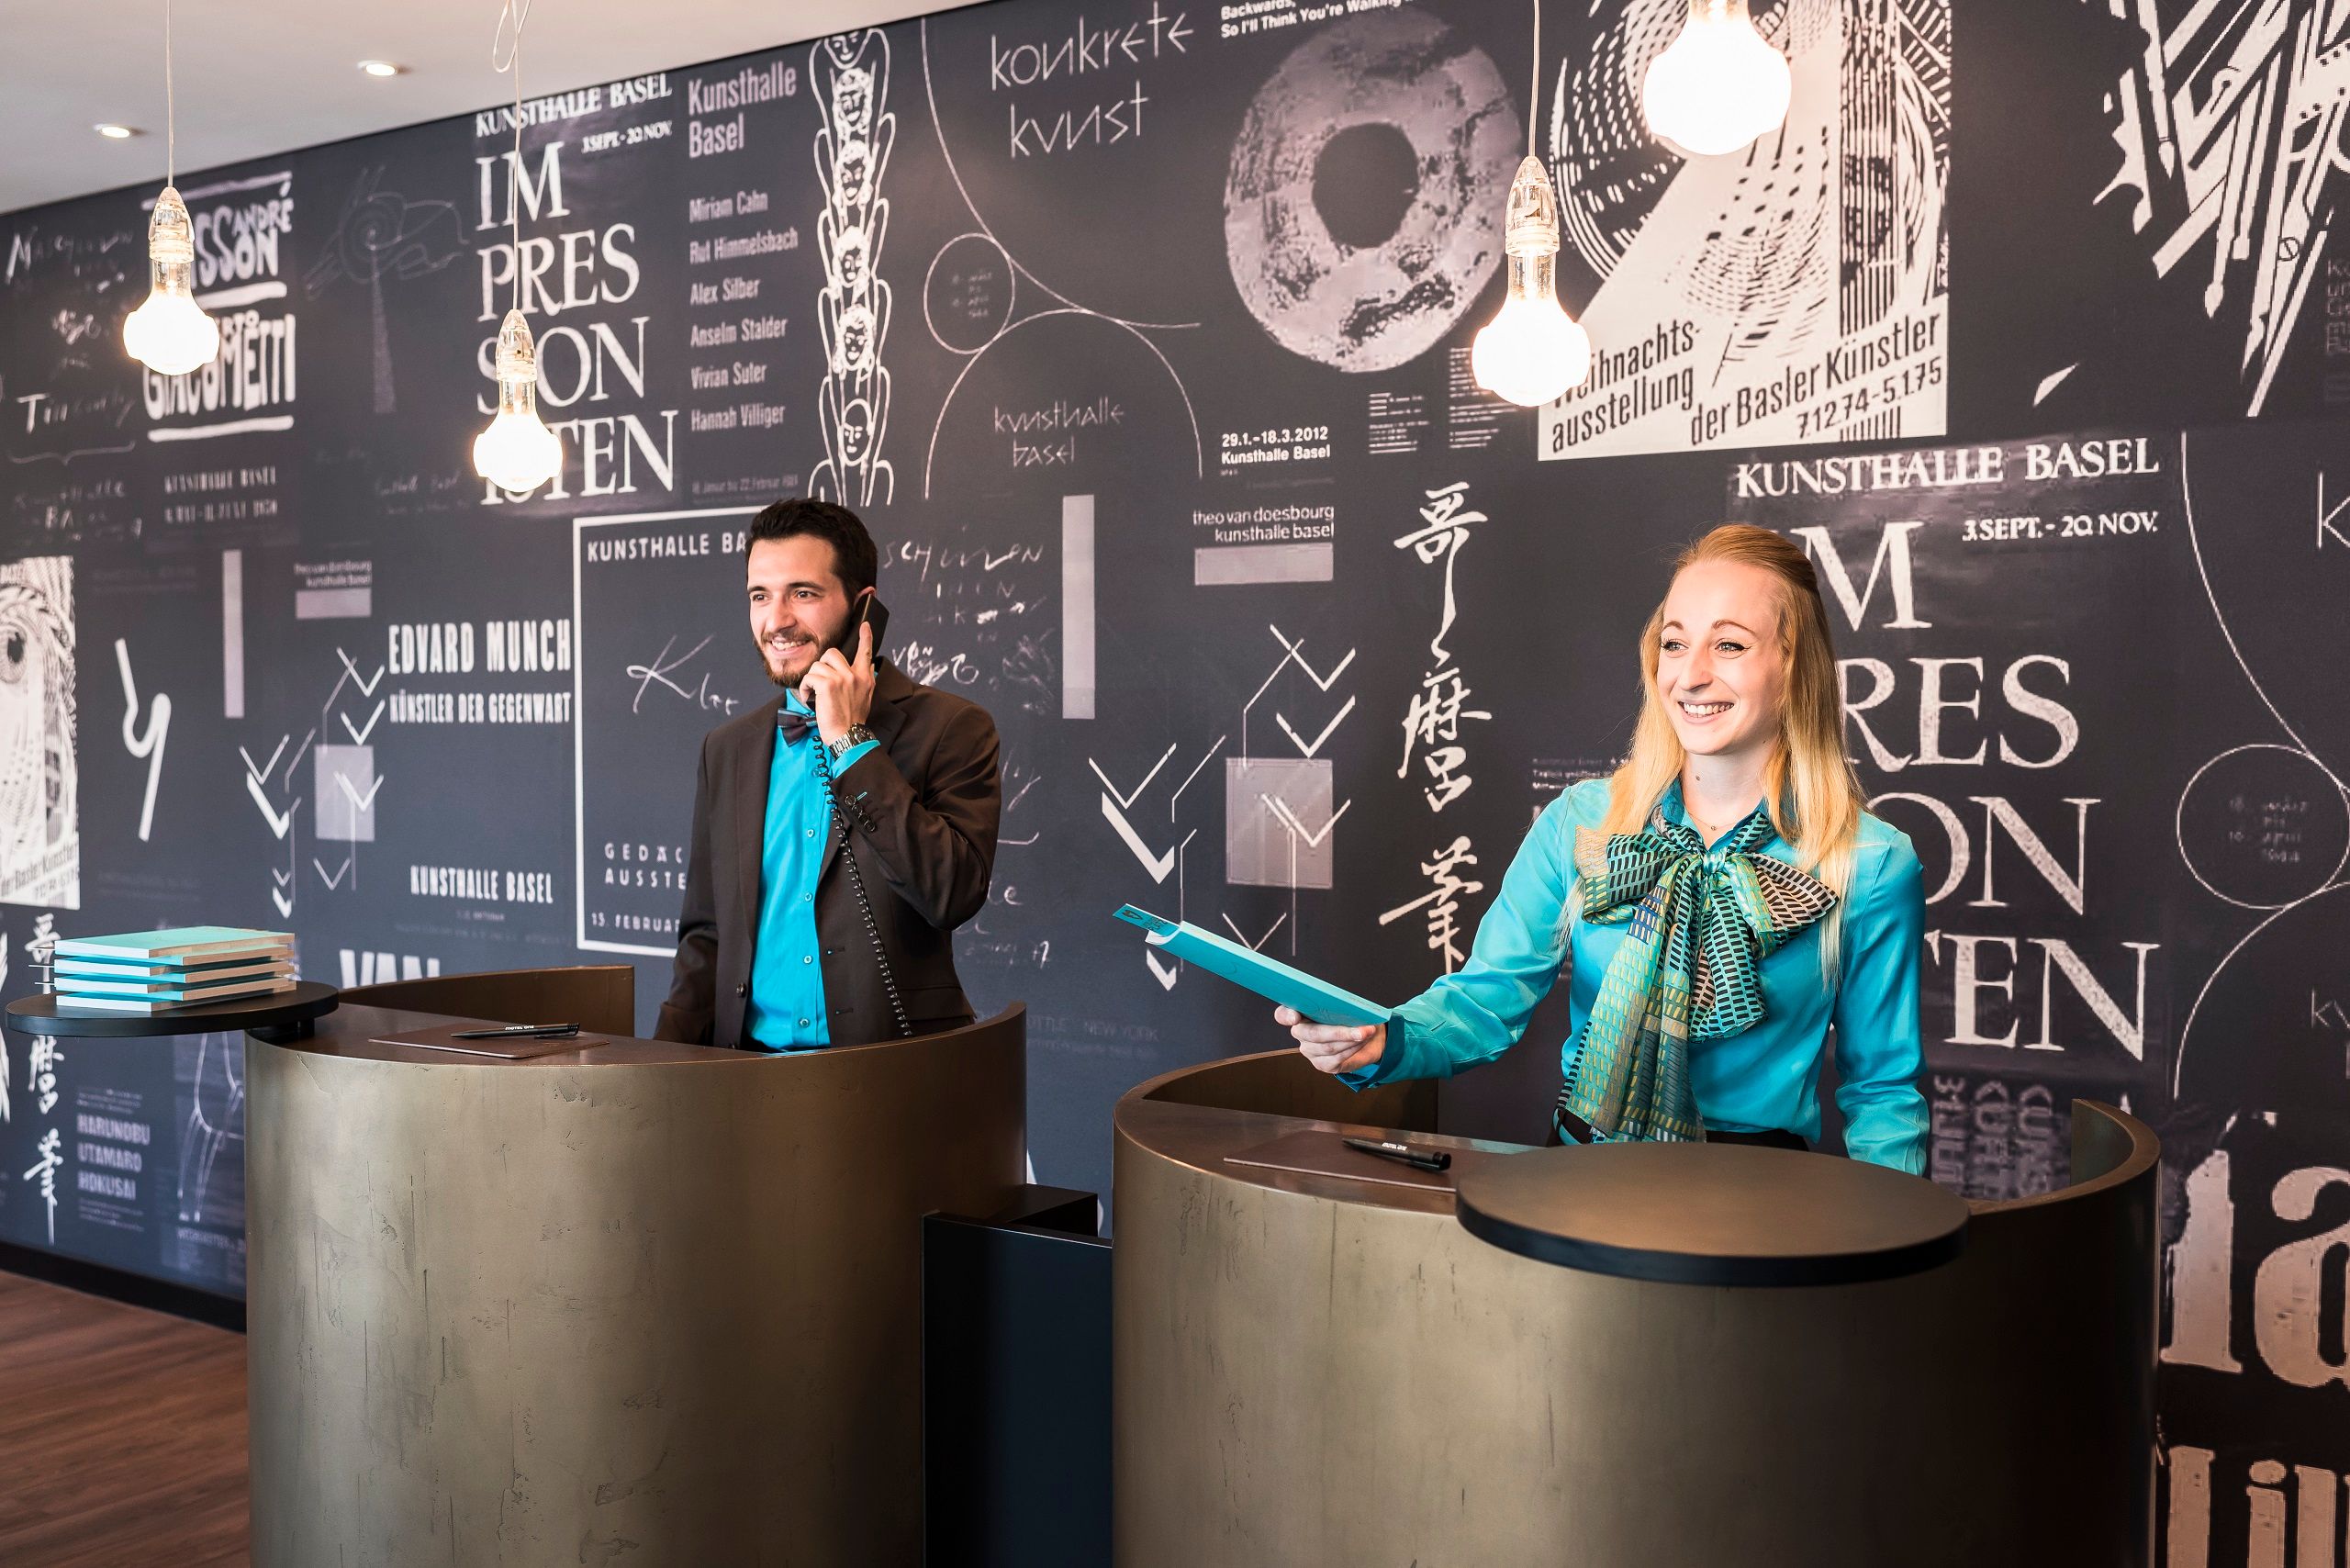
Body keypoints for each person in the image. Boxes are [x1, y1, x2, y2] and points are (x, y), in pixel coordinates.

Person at [1281, 523, 1929, 1171]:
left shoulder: (1870, 863)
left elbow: (1883, 1090)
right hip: (1581, 1178)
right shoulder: (1581, 821)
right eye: (1675, 644)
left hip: (1758, 1199)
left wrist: (1898, 1245)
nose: (1692, 675)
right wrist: (1381, 1042)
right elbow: (1485, 1001)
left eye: (1730, 644)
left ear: (1794, 669)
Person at [655, 498, 1002, 1050]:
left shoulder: (954, 727)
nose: (777, 620)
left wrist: (850, 743)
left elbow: (952, 893)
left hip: (887, 1077)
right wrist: (660, 1077)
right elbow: (706, 936)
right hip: (742, 1079)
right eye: (760, 596)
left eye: (804, 593)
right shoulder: (727, 749)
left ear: (863, 608)